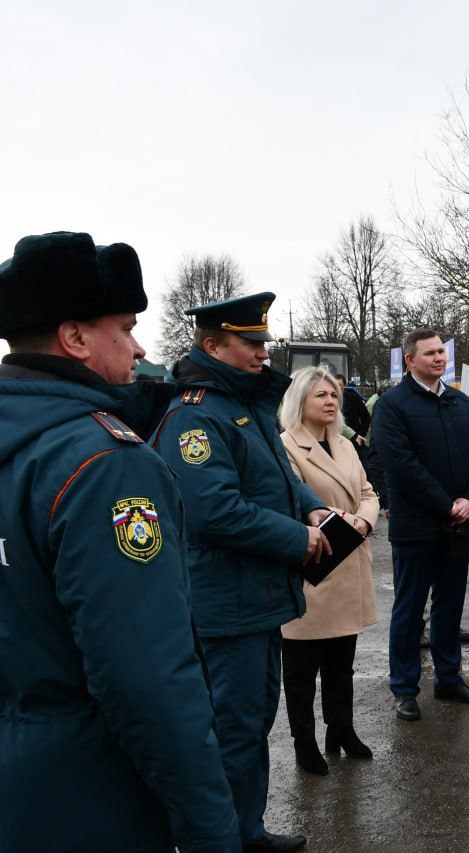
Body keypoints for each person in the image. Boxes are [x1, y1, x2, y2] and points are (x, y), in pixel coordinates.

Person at [0, 231, 238, 850]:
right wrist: (212, 828)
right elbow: (148, 678)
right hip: (90, 795)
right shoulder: (104, 464)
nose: (137, 348)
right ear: (75, 338)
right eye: (126, 327)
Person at [153, 291, 332, 853]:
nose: (263, 352)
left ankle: (246, 831)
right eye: (250, 343)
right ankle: (221, 840)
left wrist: (310, 504)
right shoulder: (195, 415)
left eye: (263, 342)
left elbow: (275, 475)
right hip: (225, 606)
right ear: (212, 344)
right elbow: (213, 512)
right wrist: (298, 539)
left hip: (253, 600)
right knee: (232, 728)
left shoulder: (243, 404)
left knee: (252, 722)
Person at [372, 328, 469, 721]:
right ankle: (405, 688)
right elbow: (401, 467)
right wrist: (446, 505)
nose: (440, 358)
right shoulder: (392, 405)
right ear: (410, 360)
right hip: (417, 526)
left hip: (459, 524)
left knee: (450, 606)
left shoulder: (460, 402)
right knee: (409, 609)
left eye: (442, 352)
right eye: (431, 353)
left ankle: (449, 679)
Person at [279, 367, 380, 775]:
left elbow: (369, 492)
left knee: (342, 663)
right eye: (321, 394)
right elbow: (291, 499)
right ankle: (304, 741)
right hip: (315, 568)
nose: (331, 401)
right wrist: (343, 519)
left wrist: (365, 521)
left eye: (334, 394)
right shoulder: (285, 446)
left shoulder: (344, 444)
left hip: (350, 561)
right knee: (301, 671)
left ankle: (341, 729)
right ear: (300, 400)